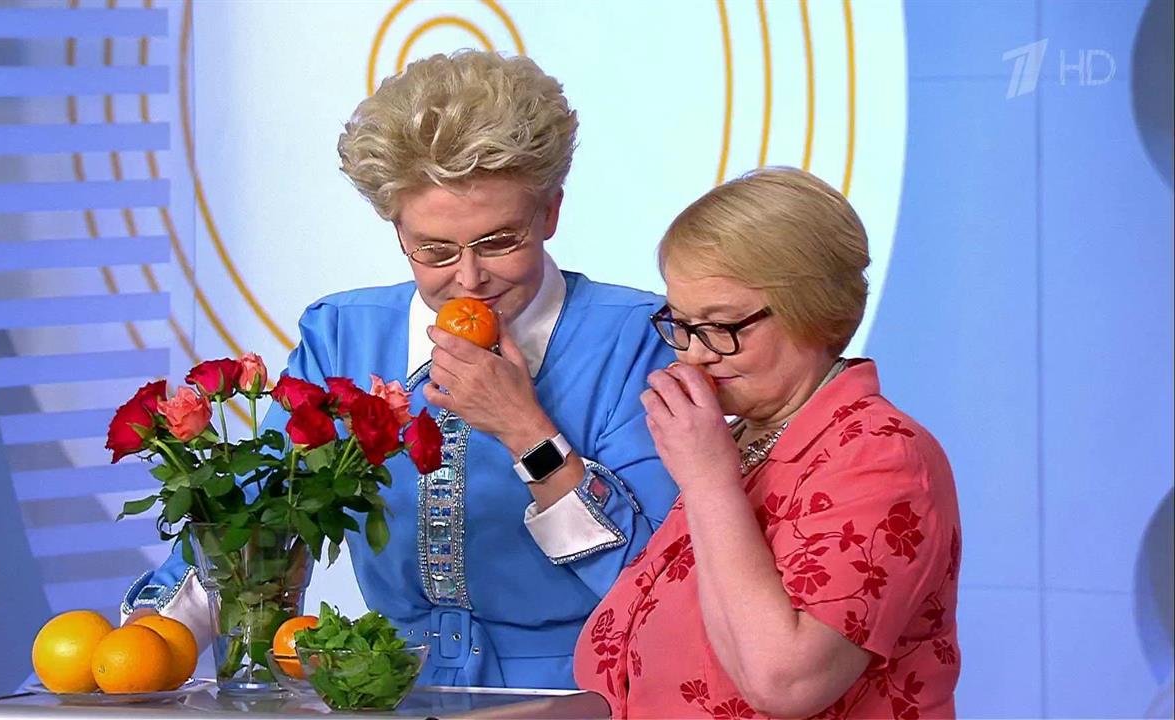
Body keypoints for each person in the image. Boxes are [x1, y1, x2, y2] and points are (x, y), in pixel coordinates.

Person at [121, 50, 679, 690]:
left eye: (500, 241)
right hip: (387, 687)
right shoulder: (342, 333)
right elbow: (262, 513)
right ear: (397, 233)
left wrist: (526, 431)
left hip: (589, 692)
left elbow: (659, 580)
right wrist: (150, 642)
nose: (470, 278)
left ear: (550, 212)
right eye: (435, 250)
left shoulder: (638, 337)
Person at [573, 167, 962, 718]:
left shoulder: (881, 455)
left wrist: (708, 482)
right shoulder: (744, 441)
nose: (694, 354)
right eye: (681, 323)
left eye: (723, 325)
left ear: (817, 313)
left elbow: (785, 682)